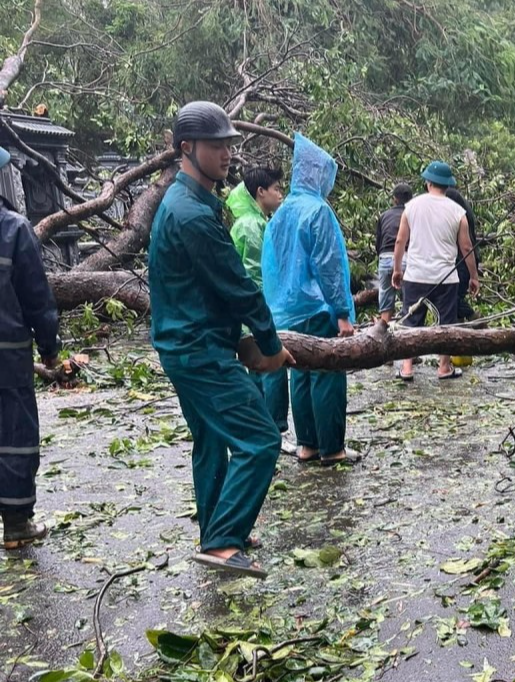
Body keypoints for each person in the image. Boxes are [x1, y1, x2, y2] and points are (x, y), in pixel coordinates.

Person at [149, 101, 293, 579]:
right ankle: (222, 542)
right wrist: (270, 346)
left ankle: (217, 526)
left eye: (229, 144)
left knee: (211, 439)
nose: (227, 153)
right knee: (260, 438)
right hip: (197, 350)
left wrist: (243, 342)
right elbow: (238, 289)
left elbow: (212, 291)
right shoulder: (190, 214)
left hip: (190, 343)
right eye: (216, 145)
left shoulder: (192, 202)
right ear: (187, 148)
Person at [263, 133, 357, 466]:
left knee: (299, 373)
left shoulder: (281, 213)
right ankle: (332, 448)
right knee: (327, 371)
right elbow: (330, 266)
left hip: (286, 309)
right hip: (319, 308)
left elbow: (273, 267)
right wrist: (343, 312)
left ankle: (307, 446)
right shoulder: (318, 211)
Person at [0, 145, 59, 550]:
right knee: (16, 436)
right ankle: (17, 524)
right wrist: (50, 350)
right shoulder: (14, 230)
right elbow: (37, 298)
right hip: (7, 358)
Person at [392, 161, 479, 381]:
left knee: (411, 322)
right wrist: (474, 276)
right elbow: (466, 247)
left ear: (428, 182)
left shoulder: (411, 206)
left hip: (415, 274)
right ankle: (443, 367)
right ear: (447, 185)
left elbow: (401, 240)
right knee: (446, 324)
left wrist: (397, 269)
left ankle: (407, 367)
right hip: (446, 278)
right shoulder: (458, 211)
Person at [226, 167, 291, 440]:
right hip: (256, 310)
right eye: (276, 189)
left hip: (250, 310)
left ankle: (264, 427)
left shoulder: (255, 221)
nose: (280, 194)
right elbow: (255, 274)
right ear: (260, 192)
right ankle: (270, 428)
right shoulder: (252, 226)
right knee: (268, 365)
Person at [376, 183, 412, 323]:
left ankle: (382, 328)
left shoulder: (384, 215)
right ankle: (407, 331)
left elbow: (378, 243)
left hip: (385, 257)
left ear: (394, 199)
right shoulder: (410, 214)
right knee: (408, 300)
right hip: (406, 257)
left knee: (385, 296)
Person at [445, 187, 482, 322]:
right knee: (453, 297)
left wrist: (474, 276)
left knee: (452, 298)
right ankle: (460, 329)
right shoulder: (462, 214)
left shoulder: (460, 217)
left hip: (464, 261)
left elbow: (466, 247)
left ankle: (475, 319)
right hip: (464, 260)